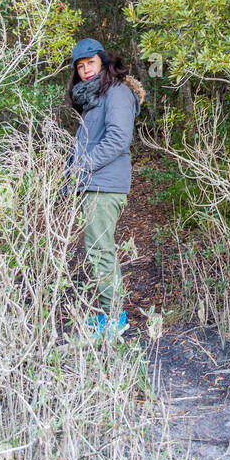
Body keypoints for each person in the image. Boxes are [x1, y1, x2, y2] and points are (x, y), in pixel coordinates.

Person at [60, 37, 145, 340]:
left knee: (101, 253)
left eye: (91, 63)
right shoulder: (94, 98)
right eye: (80, 67)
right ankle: (110, 315)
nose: (85, 70)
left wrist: (81, 168)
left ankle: (115, 320)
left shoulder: (118, 94)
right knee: (99, 251)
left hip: (105, 185)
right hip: (93, 183)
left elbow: (117, 140)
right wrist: (69, 176)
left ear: (105, 63)